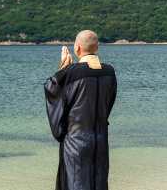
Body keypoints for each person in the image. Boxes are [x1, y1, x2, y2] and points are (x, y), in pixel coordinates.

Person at [44, 30, 117, 190]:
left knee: (75, 183)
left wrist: (63, 68)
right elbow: (108, 103)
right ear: (97, 48)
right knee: (98, 181)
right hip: (100, 138)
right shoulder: (110, 72)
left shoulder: (71, 73)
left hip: (75, 142)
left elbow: (52, 89)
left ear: (76, 47)